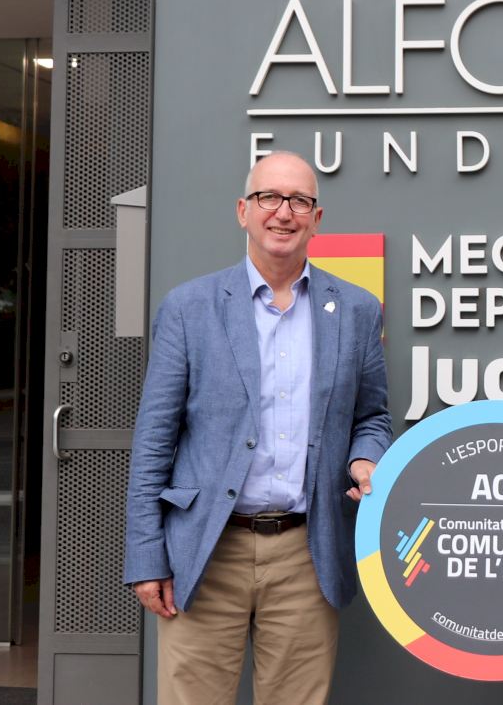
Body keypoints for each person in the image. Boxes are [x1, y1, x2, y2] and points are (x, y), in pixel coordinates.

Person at [123, 151, 391, 705]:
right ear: (243, 210)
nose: (283, 212)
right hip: (204, 550)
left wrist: (365, 458)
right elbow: (154, 439)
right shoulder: (189, 308)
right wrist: (147, 556)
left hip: (306, 553)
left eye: (300, 201)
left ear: (317, 218)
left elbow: (372, 416)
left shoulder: (358, 310)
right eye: (269, 197)